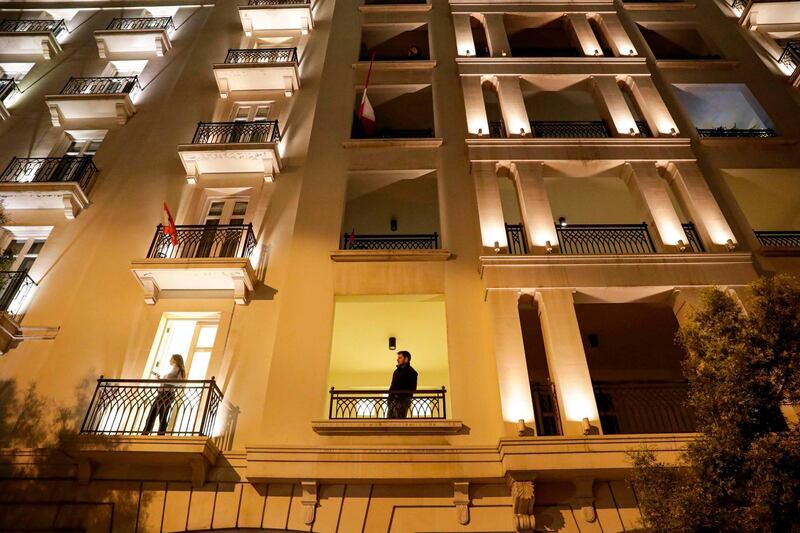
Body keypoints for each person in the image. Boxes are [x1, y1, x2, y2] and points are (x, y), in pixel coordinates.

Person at [142, 354, 186, 435]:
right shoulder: (172, 370)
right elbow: (167, 382)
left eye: (171, 358)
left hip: (168, 394)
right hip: (161, 394)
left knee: (163, 416)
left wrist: (163, 380)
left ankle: (160, 435)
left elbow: (179, 383)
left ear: (175, 360)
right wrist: (160, 379)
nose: (169, 360)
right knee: (152, 413)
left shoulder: (179, 370)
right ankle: (145, 433)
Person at [388, 350, 417, 419]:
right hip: (393, 401)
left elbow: (412, 388)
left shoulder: (412, 372)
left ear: (406, 359)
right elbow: (392, 385)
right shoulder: (396, 372)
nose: (397, 359)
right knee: (389, 421)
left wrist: (399, 395)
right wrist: (389, 398)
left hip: (403, 401)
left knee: (399, 421)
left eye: (400, 357)